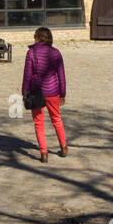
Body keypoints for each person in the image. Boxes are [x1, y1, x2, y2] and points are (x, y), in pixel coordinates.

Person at [22, 26, 67, 161]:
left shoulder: (31, 53)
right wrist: (63, 93)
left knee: (38, 122)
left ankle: (44, 153)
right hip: (53, 91)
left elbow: (27, 75)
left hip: (37, 91)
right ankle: (64, 147)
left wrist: (24, 91)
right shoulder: (56, 53)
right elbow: (61, 75)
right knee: (56, 119)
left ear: (37, 37)